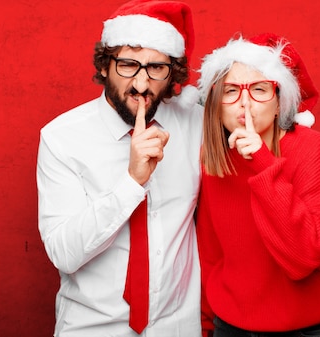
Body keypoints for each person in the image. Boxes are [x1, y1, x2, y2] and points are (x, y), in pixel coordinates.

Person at [36, 1, 203, 336]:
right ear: (105, 65)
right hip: (92, 328)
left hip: (177, 328)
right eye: (128, 65)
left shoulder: (196, 124)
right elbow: (64, 254)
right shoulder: (61, 138)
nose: (141, 84)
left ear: (173, 75)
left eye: (156, 68)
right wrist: (131, 181)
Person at [195, 33, 320, 337]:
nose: (245, 103)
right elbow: (210, 254)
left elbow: (305, 256)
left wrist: (262, 162)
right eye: (230, 91)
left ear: (280, 103)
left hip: (307, 329)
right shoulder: (212, 160)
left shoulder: (313, 148)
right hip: (231, 327)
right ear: (215, 103)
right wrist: (206, 326)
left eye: (259, 89)